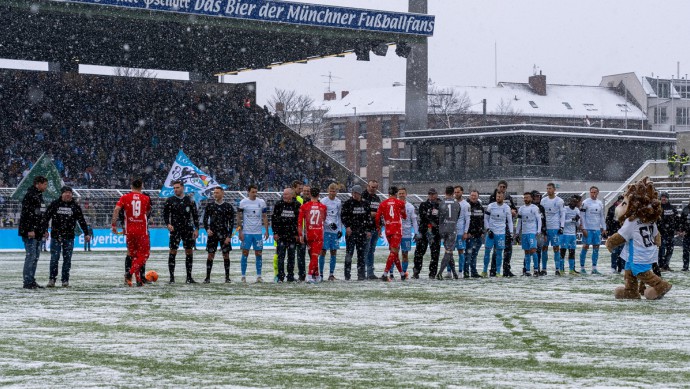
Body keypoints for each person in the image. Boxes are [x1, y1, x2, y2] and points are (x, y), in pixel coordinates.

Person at [43, 186, 91, 287]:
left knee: (67, 260)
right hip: (56, 236)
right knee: (54, 258)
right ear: (62, 194)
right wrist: (44, 230)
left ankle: (65, 280)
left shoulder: (75, 206)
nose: (68, 194)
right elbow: (46, 217)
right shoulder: (55, 204)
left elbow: (81, 220)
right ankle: (52, 279)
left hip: (69, 236)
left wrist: (86, 233)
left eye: (70, 193)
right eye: (66, 192)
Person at [111, 179, 152, 287]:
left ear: (131, 186)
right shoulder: (146, 198)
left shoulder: (125, 197)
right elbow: (147, 212)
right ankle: (129, 274)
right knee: (144, 255)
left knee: (133, 255)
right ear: (142, 186)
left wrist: (114, 225)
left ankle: (138, 280)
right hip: (142, 230)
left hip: (129, 230)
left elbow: (116, 209)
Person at [163, 180, 200, 283]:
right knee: (173, 251)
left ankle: (189, 277)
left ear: (182, 188)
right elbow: (165, 214)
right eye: (174, 188)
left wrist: (196, 229)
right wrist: (168, 224)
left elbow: (195, 216)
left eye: (177, 187)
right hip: (175, 230)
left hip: (187, 229)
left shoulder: (190, 200)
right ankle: (172, 278)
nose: (175, 189)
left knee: (189, 251)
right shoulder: (170, 200)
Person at [19, 176, 49, 289]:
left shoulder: (39, 196)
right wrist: (30, 229)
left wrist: (44, 230)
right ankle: (27, 281)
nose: (46, 187)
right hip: (31, 232)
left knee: (35, 257)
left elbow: (41, 215)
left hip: (38, 232)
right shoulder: (30, 195)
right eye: (45, 184)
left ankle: (31, 280)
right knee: (31, 256)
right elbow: (27, 214)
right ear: (38, 184)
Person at [272, 180, 304, 282]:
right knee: (281, 257)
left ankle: (290, 276)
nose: (284, 196)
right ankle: (280, 276)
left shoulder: (297, 204)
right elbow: (274, 220)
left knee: (291, 258)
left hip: (292, 236)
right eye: (283, 194)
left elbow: (298, 222)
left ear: (291, 195)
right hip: (281, 235)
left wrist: (297, 234)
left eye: (286, 194)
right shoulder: (278, 204)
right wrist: (275, 233)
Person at [237, 184, 269, 283]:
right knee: (245, 253)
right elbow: (239, 217)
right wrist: (240, 231)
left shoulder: (261, 202)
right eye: (253, 192)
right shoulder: (243, 202)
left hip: (258, 233)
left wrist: (267, 230)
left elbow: (264, 216)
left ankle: (259, 276)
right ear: (248, 192)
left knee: (258, 253)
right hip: (247, 232)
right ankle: (243, 276)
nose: (255, 194)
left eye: (256, 192)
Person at [203, 186, 235, 283]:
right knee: (210, 255)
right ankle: (207, 277)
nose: (215, 195)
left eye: (217, 193)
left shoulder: (228, 206)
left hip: (224, 235)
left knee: (226, 255)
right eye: (214, 193)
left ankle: (227, 277)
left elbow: (231, 222)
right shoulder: (210, 206)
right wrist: (207, 229)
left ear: (222, 193)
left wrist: (229, 236)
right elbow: (205, 219)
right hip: (213, 234)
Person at [375, 186, 407, 281]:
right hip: (397, 229)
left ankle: (402, 274)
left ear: (388, 193)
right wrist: (402, 210)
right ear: (396, 193)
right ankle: (385, 274)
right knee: (394, 252)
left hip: (388, 230)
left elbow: (377, 218)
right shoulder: (400, 203)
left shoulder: (383, 203)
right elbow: (404, 216)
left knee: (394, 253)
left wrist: (379, 228)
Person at [341, 185, 373, 280]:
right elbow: (343, 216)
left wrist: (368, 230)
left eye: (356, 193)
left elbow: (368, 218)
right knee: (349, 255)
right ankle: (347, 275)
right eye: (353, 193)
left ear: (360, 193)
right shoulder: (348, 203)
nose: (355, 195)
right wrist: (347, 226)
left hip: (362, 233)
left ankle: (361, 275)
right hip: (351, 233)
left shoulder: (365, 204)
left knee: (361, 255)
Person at [298, 187, 328, 283]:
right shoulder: (323, 207)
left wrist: (301, 235)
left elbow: (299, 222)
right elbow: (324, 219)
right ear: (319, 195)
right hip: (318, 234)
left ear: (310, 194)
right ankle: (310, 275)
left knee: (313, 255)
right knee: (315, 256)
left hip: (309, 234)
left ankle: (317, 274)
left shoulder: (304, 206)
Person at [489, 180, 517, 277]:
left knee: (508, 249)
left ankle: (506, 269)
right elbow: (490, 211)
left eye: (504, 187)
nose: (502, 188)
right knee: (497, 249)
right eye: (500, 186)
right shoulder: (493, 197)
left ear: (506, 188)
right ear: (497, 187)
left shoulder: (509, 198)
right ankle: (493, 270)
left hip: (506, 227)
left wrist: (513, 211)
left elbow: (514, 209)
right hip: (496, 227)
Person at [483, 191, 513, 277]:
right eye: (497, 196)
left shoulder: (507, 208)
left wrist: (511, 233)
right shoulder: (491, 206)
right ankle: (484, 271)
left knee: (499, 253)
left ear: (503, 197)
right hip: (491, 233)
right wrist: (488, 229)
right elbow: (485, 219)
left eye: (500, 196)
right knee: (487, 252)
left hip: (501, 234)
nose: (498, 198)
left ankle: (498, 272)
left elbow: (510, 222)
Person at [413, 188, 441, 279]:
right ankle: (416, 271)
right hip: (424, 231)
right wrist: (431, 221)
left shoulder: (440, 205)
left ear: (436, 195)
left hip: (435, 232)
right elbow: (423, 217)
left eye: (433, 194)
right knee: (419, 252)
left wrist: (434, 223)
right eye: (430, 194)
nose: (431, 196)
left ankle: (432, 273)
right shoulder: (423, 204)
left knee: (435, 254)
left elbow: (441, 218)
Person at [579, 186, 607, 275]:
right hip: (588, 229)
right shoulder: (585, 202)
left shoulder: (599, 203)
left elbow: (601, 216)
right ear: (589, 192)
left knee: (596, 248)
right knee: (585, 247)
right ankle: (582, 268)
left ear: (598, 193)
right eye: (592, 192)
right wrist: (583, 228)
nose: (593, 194)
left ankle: (594, 268)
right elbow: (582, 216)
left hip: (597, 229)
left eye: (595, 192)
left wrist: (604, 228)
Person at [539, 183, 565, 276]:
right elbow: (541, 215)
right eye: (547, 188)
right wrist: (542, 228)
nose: (548, 190)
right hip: (546, 229)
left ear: (554, 190)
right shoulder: (543, 201)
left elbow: (562, 214)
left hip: (555, 228)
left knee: (556, 248)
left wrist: (561, 227)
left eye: (550, 188)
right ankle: (544, 269)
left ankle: (557, 269)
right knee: (544, 248)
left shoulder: (559, 201)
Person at [319, 183, 343, 281]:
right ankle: (320, 274)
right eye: (331, 191)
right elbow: (322, 215)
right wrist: (329, 223)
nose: (333, 193)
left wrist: (340, 229)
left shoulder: (338, 202)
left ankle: (331, 274)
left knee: (334, 252)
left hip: (335, 231)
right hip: (325, 230)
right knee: (323, 251)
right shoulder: (323, 201)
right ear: (328, 191)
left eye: (334, 191)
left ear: (337, 192)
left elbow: (339, 216)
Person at [437, 186, 460, 280]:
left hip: (443, 228)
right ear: (453, 193)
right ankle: (440, 273)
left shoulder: (441, 203)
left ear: (445, 192)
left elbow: (439, 217)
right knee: (449, 251)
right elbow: (457, 216)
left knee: (449, 252)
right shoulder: (456, 203)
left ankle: (454, 273)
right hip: (452, 229)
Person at [515, 192, 541, 276]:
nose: (526, 199)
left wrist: (538, 231)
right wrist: (517, 233)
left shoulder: (535, 208)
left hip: (532, 232)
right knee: (526, 252)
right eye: (524, 198)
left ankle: (536, 270)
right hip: (524, 233)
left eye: (527, 197)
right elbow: (519, 222)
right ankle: (527, 271)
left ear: (531, 199)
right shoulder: (521, 209)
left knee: (533, 250)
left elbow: (539, 220)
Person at [361, 180, 382, 280]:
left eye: (375, 187)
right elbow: (361, 212)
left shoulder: (377, 198)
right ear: (367, 186)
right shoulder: (363, 197)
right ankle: (362, 273)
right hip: (366, 228)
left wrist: (379, 227)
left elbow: (380, 213)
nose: (373, 189)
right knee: (365, 251)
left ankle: (370, 273)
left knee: (371, 251)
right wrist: (371, 214)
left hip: (375, 228)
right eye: (371, 187)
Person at [397, 187, 418, 279]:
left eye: (403, 193)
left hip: (406, 234)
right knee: (394, 253)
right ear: (398, 194)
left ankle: (403, 273)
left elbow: (414, 220)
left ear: (406, 194)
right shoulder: (394, 205)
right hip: (396, 233)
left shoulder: (410, 206)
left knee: (405, 254)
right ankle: (391, 273)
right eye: (400, 193)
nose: (401, 195)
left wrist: (416, 233)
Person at [453, 185, 471, 278]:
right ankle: (449, 272)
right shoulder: (451, 203)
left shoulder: (466, 205)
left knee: (461, 251)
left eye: (458, 192)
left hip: (460, 232)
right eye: (455, 192)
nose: (456, 194)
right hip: (451, 232)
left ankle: (461, 272)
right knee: (449, 252)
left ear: (462, 192)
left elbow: (467, 219)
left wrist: (465, 232)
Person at [466, 190, 484, 278]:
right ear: (470, 196)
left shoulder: (480, 206)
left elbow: (482, 220)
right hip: (470, 235)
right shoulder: (466, 206)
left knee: (474, 254)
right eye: (472, 195)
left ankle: (474, 271)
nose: (473, 197)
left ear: (478, 197)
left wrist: (482, 232)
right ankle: (466, 272)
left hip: (478, 235)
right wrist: (468, 232)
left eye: (475, 196)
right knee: (468, 254)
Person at [657, 192, 677, 272]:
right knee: (662, 249)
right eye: (662, 197)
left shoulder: (672, 208)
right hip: (661, 233)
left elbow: (676, 219)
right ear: (660, 198)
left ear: (668, 198)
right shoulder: (657, 208)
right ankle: (661, 265)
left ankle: (666, 265)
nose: (664, 198)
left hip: (670, 233)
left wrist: (677, 229)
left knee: (670, 250)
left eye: (665, 197)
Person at [562, 195, 582, 275]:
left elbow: (578, 224)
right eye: (572, 201)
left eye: (575, 201)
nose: (573, 203)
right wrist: (571, 220)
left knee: (572, 252)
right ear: (569, 201)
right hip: (565, 234)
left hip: (573, 234)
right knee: (563, 252)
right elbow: (562, 221)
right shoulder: (565, 209)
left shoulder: (577, 210)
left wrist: (577, 221)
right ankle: (561, 269)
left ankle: (571, 269)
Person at [605, 195, 625, 273]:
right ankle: (613, 267)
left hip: (623, 233)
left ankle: (622, 267)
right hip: (614, 232)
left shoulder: (626, 209)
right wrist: (609, 231)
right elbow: (608, 221)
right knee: (614, 251)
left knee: (623, 251)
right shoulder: (612, 209)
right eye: (620, 201)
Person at [295, 184, 310, 281]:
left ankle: (313, 274)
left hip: (311, 232)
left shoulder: (315, 202)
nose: (306, 192)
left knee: (313, 255)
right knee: (300, 256)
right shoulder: (297, 202)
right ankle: (302, 275)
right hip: (301, 232)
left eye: (308, 191)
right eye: (304, 191)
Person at [678, 198, 690, 272]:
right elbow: (682, 221)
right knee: (685, 251)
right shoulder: (685, 209)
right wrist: (681, 230)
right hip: (687, 234)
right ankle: (685, 266)